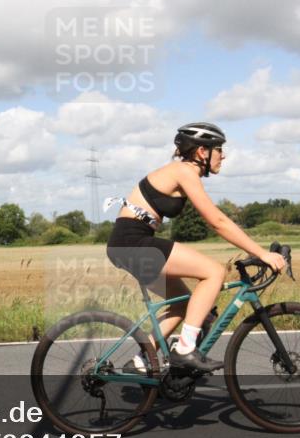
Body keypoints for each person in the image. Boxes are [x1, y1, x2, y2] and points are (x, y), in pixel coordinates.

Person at [105, 122, 287, 373]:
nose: (223, 155)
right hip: (133, 242)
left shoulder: (182, 173)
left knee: (181, 304)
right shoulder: (183, 171)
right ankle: (184, 349)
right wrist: (261, 253)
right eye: (219, 149)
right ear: (202, 151)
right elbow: (217, 221)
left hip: (128, 244)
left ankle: (141, 360)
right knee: (213, 272)